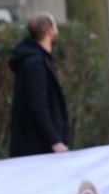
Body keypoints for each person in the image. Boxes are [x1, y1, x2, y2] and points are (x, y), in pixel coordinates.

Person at [9, 12, 70, 157]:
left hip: (37, 145)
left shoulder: (35, 60)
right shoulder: (36, 63)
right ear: (50, 32)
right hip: (39, 148)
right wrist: (55, 141)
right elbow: (38, 106)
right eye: (55, 27)